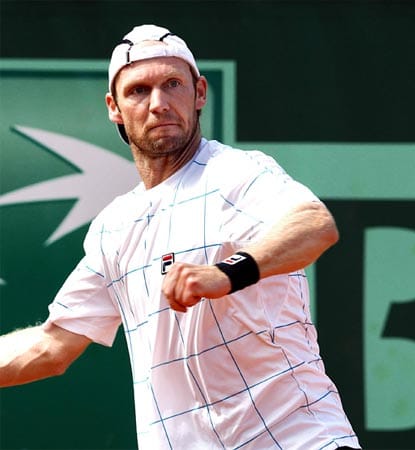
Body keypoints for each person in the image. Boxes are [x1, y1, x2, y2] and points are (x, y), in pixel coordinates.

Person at [0, 25, 361, 450]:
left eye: (173, 84)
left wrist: (228, 273)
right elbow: (52, 347)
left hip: (297, 440)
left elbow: (314, 224)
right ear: (114, 108)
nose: (158, 104)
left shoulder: (235, 172)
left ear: (200, 92)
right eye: (139, 91)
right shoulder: (114, 227)